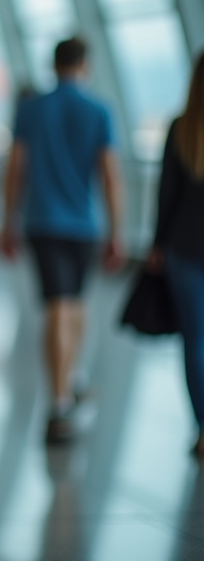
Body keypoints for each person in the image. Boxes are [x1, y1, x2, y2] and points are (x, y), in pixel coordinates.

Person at [1, 37, 124, 444]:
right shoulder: (100, 109)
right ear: (84, 65)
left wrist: (8, 221)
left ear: (54, 65)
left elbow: (17, 167)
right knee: (74, 304)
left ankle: (60, 397)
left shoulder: (33, 108)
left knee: (57, 306)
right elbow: (110, 174)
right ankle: (67, 384)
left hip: (42, 222)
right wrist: (117, 230)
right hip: (85, 224)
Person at [147, 52, 204, 459]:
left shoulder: (181, 129)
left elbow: (166, 195)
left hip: (184, 248)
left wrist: (156, 243)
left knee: (196, 342)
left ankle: (203, 429)